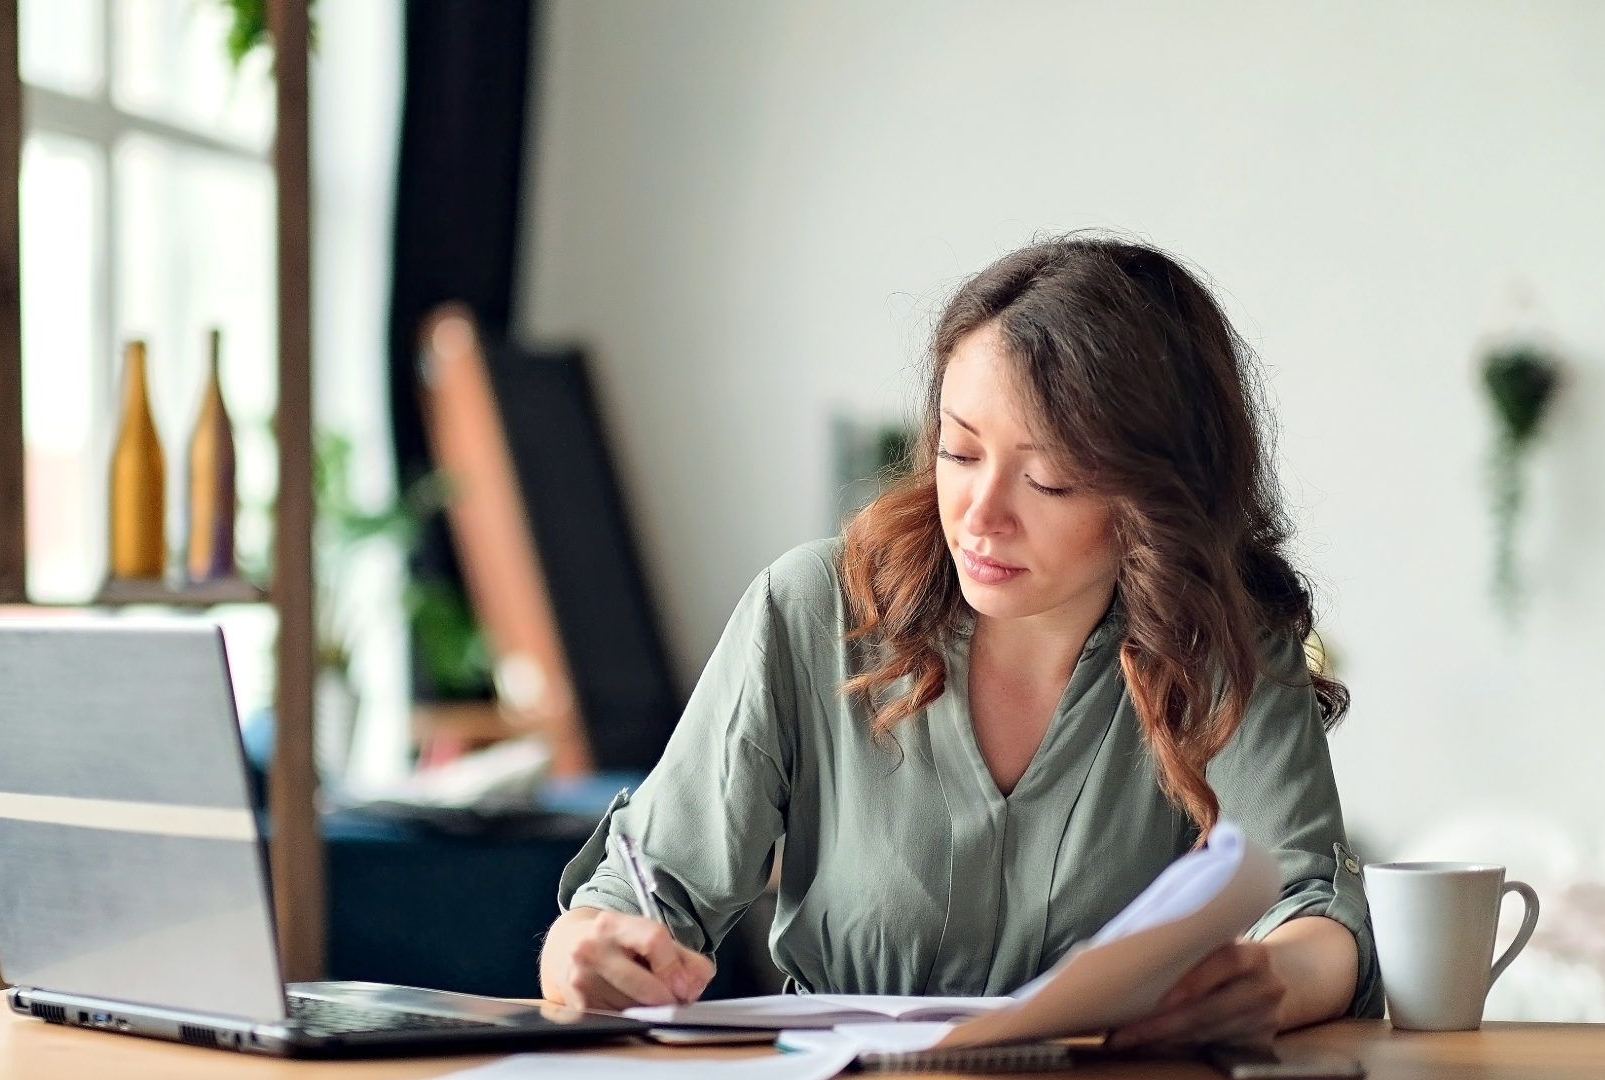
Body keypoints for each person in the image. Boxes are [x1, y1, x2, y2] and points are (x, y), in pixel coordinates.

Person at [539, 236, 1381, 1047]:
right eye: (959, 450)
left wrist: (1268, 982)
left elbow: (1311, 907)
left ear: (1157, 496)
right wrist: (584, 948)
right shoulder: (810, 611)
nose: (979, 515)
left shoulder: (1222, 645)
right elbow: (644, 889)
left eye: (1047, 478)